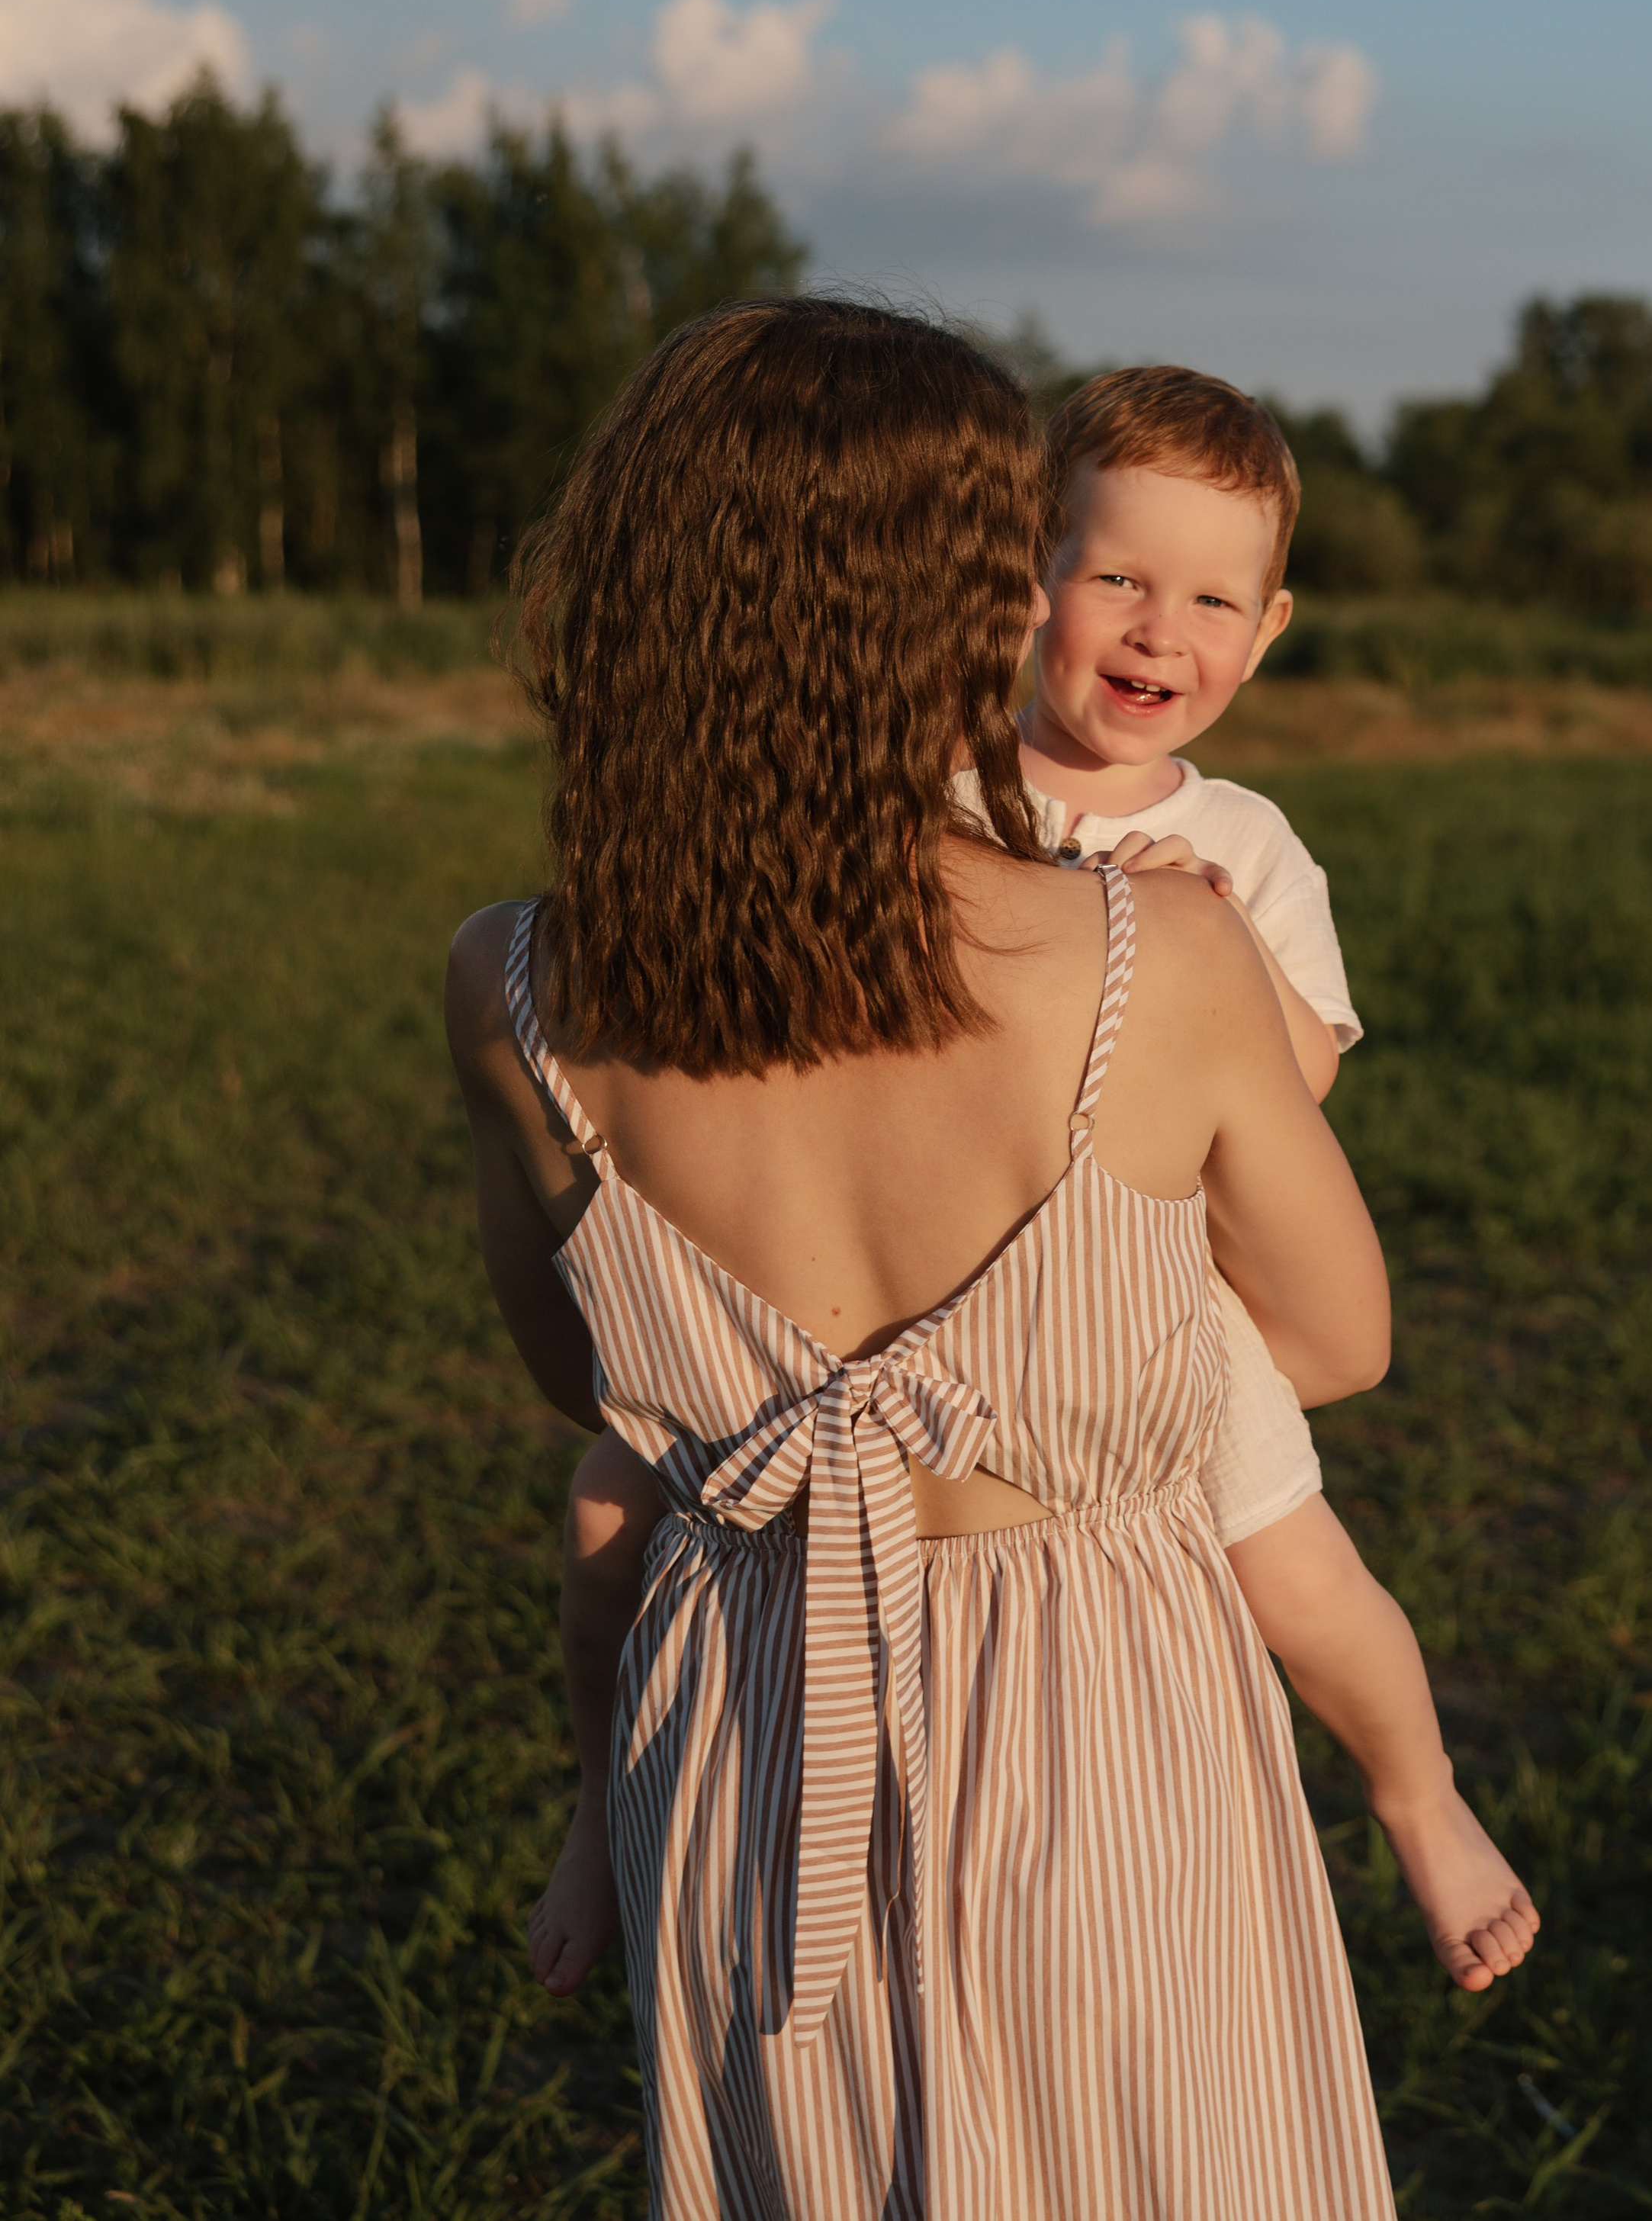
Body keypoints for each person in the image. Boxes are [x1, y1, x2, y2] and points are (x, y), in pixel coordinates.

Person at [447, 299, 1398, 2216]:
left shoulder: (518, 983)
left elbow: (590, 1388)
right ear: (970, 594)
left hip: (744, 1717)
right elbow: (1332, 1339)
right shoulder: (1159, 953)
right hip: (1099, 1719)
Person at [537, 361, 1539, 2016]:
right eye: (1118, 579)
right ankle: (595, 1810)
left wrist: (1201, 937)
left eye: (1212, 598)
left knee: (1302, 1579)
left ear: (1270, 627)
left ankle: (1419, 1801)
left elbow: (1304, 1084)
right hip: (908, 1282)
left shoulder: (1246, 849)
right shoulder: (935, 783)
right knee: (598, 1510)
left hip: (1148, 1300)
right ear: (1024, 582)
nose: (1159, 632)